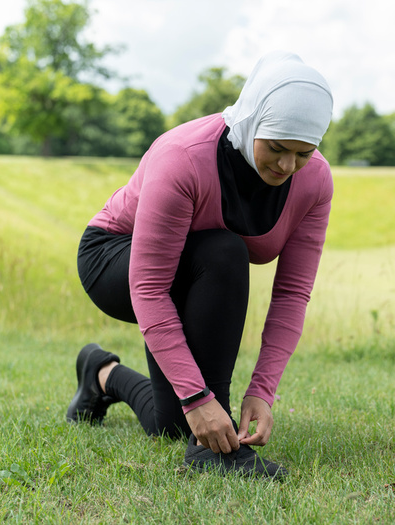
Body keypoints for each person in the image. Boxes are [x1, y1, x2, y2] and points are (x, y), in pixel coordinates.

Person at [66, 51, 334, 480]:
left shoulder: (315, 181)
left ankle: (100, 373)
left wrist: (262, 392)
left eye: (303, 153)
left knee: (171, 423)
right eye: (278, 148)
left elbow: (292, 293)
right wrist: (199, 398)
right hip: (115, 258)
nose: (287, 166)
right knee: (225, 250)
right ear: (251, 120)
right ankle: (214, 453)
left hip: (189, 274)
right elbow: (150, 288)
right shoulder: (183, 157)